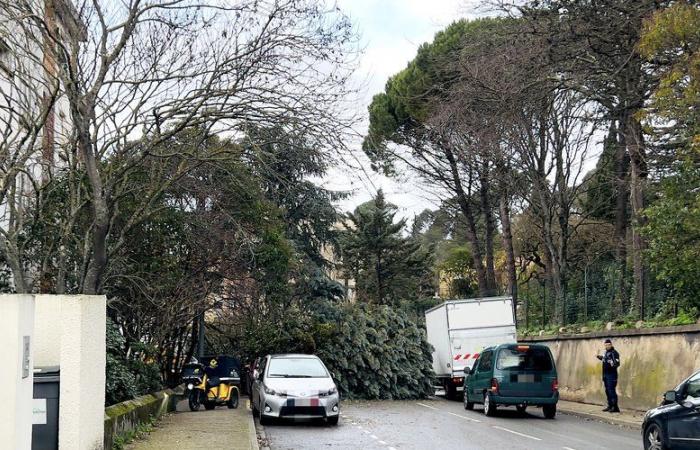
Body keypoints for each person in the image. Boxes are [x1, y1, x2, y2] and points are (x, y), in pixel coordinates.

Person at [596, 339, 621, 412]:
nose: (607, 346)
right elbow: (604, 359)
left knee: (611, 391)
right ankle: (610, 406)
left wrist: (611, 362)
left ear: (611, 345)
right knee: (607, 391)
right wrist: (598, 356)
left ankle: (615, 407)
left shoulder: (614, 353)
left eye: (608, 345)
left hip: (612, 375)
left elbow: (617, 364)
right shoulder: (606, 352)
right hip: (605, 375)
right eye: (606, 345)